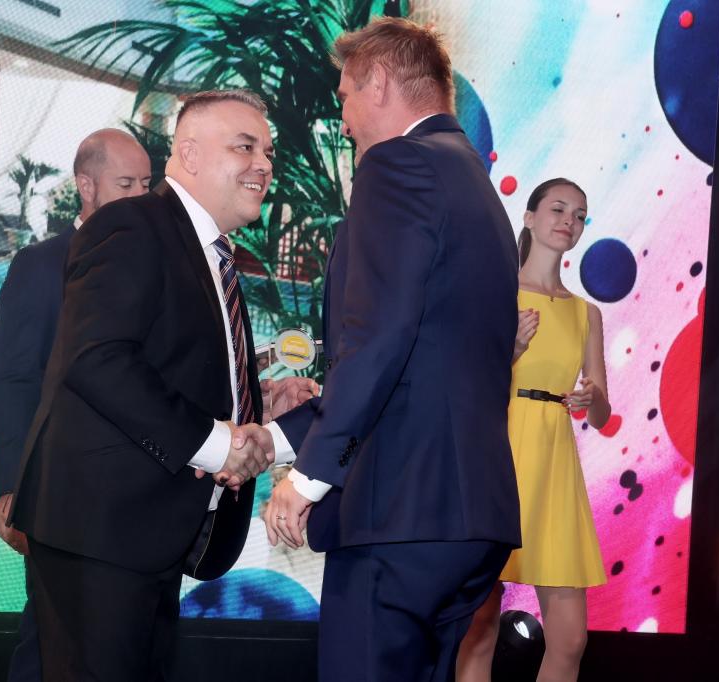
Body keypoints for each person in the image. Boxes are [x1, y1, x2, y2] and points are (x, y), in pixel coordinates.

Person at [258, 18, 523, 681]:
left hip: (401, 511)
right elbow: (426, 354)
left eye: (345, 95)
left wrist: (306, 480)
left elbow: (379, 342)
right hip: (466, 517)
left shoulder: (400, 165)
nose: (343, 120)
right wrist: (286, 437)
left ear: (378, 81)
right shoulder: (471, 179)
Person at [5, 90, 292, 681]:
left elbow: (170, 366)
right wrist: (217, 445)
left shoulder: (208, 249)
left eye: (267, 151)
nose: (263, 164)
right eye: (245, 147)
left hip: (146, 537)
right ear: (189, 154)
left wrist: (255, 404)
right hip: (100, 534)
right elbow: (97, 359)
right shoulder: (132, 224)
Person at [0, 128, 152, 681]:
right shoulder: (40, 266)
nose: (141, 196)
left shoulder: (161, 267)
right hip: (59, 496)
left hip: (142, 503)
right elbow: (13, 380)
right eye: (126, 184)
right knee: (50, 645)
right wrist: (12, 487)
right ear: (87, 186)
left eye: (146, 184)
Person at [456, 178, 610, 682]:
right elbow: (463, 386)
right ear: (529, 217)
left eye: (579, 215)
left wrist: (592, 398)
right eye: (559, 209)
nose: (569, 221)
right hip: (499, 455)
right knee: (479, 623)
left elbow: (602, 414)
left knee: (570, 640)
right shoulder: (495, 294)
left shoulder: (586, 313)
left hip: (556, 466)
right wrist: (512, 351)